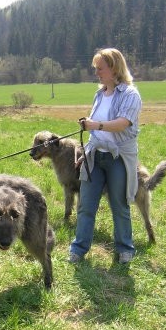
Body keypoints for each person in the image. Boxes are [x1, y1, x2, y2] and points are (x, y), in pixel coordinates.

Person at [69, 48, 142, 265]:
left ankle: (125, 248)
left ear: (114, 68)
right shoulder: (99, 94)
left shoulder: (130, 95)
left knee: (119, 205)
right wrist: (86, 152)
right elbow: (96, 132)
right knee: (86, 205)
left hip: (117, 158)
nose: (97, 73)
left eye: (100, 68)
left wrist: (96, 124)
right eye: (96, 69)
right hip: (95, 157)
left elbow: (123, 123)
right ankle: (79, 249)